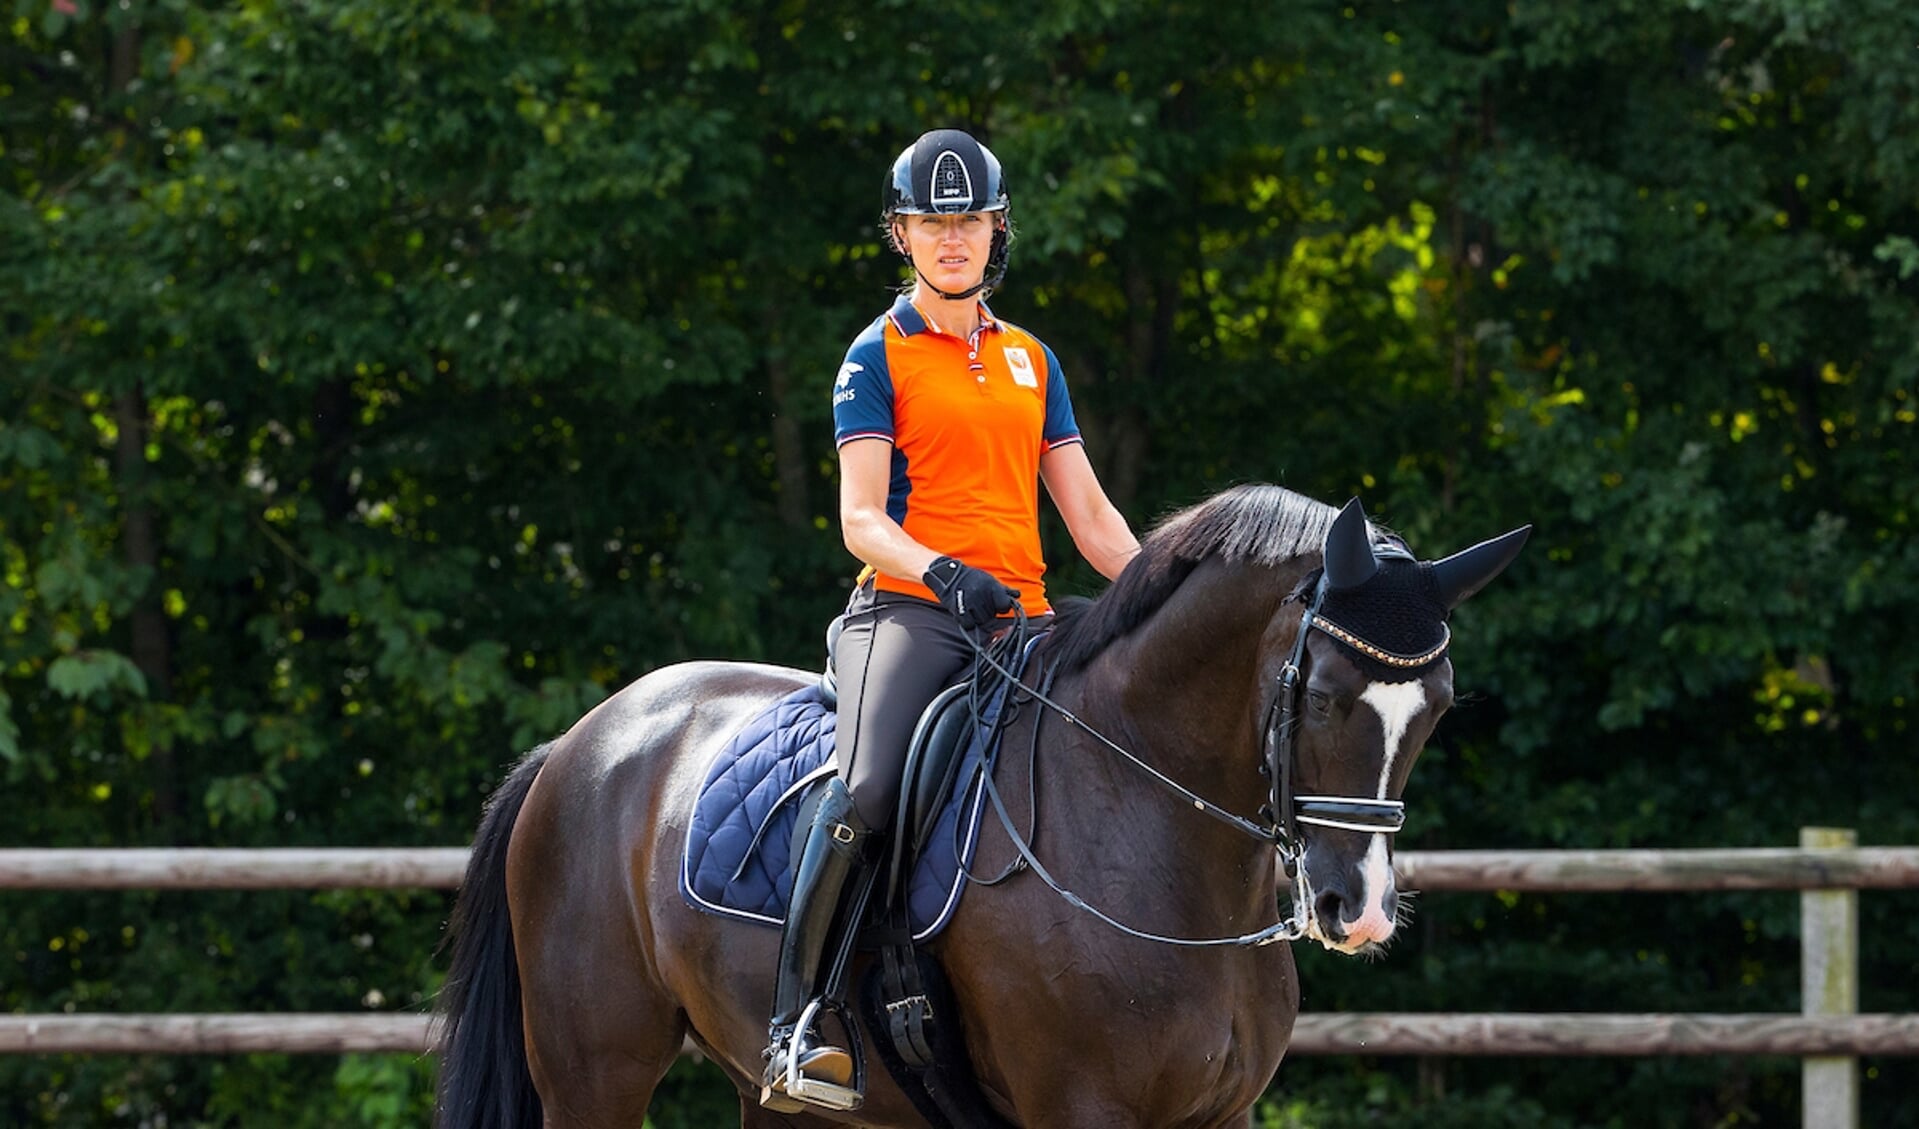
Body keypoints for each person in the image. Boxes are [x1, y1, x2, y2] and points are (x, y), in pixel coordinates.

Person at [759, 128, 1140, 1111]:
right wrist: (941, 571)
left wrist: (1164, 593)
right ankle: (796, 1022)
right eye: (932, 222)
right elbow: (857, 519)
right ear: (901, 234)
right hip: (912, 616)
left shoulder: (1030, 360)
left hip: (1027, 622)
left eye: (967, 219)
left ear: (995, 227)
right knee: (864, 787)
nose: (951, 238)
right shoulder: (873, 354)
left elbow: (1091, 521)